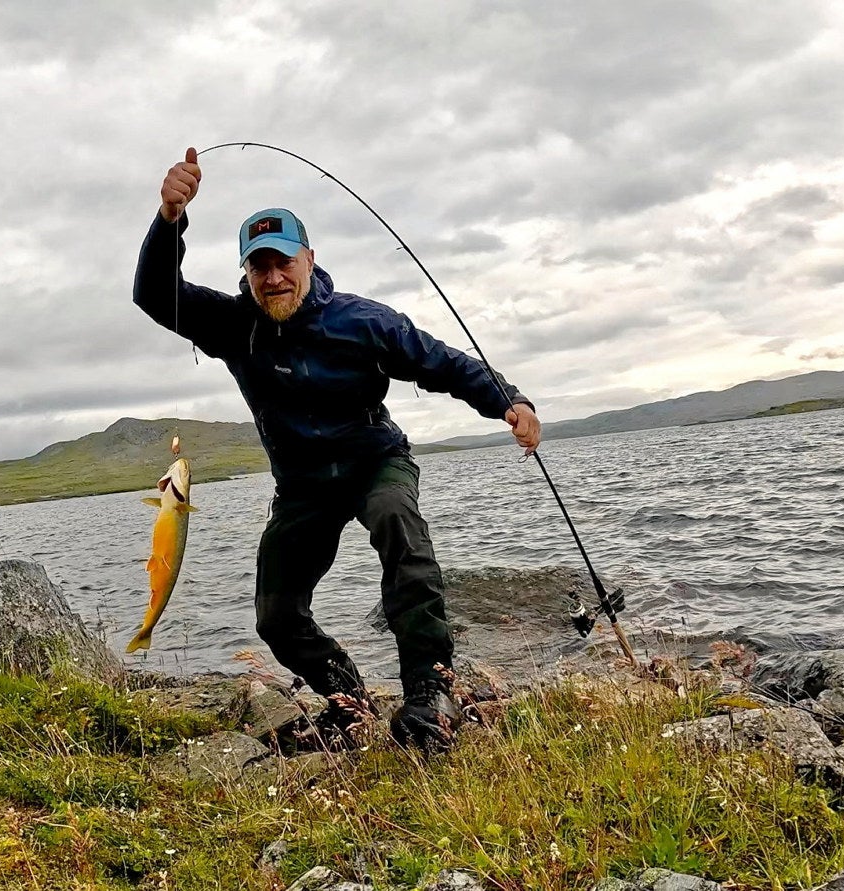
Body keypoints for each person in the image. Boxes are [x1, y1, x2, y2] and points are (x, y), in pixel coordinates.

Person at [132, 147, 542, 751]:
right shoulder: (233, 325)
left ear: (309, 258)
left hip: (375, 463)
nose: (273, 277)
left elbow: (442, 363)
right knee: (276, 617)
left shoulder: (365, 321)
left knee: (398, 526)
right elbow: (152, 292)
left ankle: (430, 691)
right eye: (259, 267)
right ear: (246, 273)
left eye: (283, 262)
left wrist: (509, 400)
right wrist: (170, 219)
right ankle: (349, 699)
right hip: (302, 487)